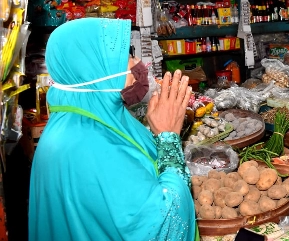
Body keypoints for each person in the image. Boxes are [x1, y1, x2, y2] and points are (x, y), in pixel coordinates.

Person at [28, 18, 197, 241]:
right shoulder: (88, 146)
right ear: (92, 68)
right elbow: (163, 227)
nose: (137, 63)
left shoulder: (83, 116)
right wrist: (168, 138)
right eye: (126, 55)